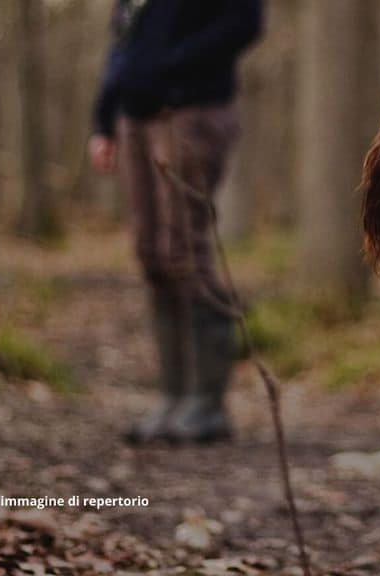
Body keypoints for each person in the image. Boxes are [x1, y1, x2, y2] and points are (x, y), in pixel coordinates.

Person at [88, 0, 263, 444]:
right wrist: (104, 118)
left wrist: (170, 70)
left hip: (190, 112)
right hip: (135, 118)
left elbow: (243, 21)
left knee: (186, 251)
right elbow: (122, 45)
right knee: (151, 253)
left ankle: (207, 403)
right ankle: (172, 397)